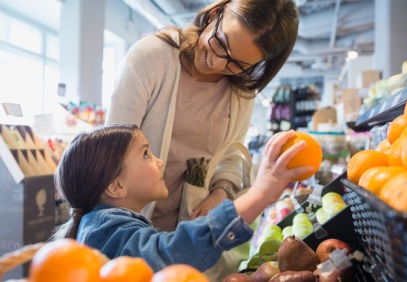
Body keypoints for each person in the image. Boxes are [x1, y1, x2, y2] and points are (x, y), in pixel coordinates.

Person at [105, 0, 300, 232]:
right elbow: (111, 151)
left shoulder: (240, 95)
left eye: (238, 64)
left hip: (189, 235)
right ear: (214, 14)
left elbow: (230, 156)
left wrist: (222, 191)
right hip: (127, 227)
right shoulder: (150, 58)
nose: (217, 62)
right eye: (221, 43)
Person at [52, 124, 313, 273]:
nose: (159, 160)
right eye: (146, 154)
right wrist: (260, 193)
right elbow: (171, 253)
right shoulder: (107, 229)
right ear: (116, 185)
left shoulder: (104, 224)